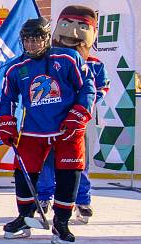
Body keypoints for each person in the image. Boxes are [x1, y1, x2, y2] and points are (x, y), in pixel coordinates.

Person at [0, 17, 95, 244]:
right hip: (34, 130)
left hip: (67, 129)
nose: (31, 45)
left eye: (36, 39)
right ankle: (25, 216)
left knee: (68, 174)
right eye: (27, 40)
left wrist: (79, 115)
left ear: (46, 38)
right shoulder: (16, 68)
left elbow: (87, 87)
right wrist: (7, 123)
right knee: (24, 173)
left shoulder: (67, 58)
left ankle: (61, 222)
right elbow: (8, 99)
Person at [35, 5, 109, 224]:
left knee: (78, 162)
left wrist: (80, 109)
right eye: (66, 25)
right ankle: (45, 197)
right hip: (48, 123)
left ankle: (82, 199)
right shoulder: (45, 60)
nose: (73, 34)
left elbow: (101, 89)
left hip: (77, 124)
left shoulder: (94, 65)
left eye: (82, 27)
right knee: (46, 161)